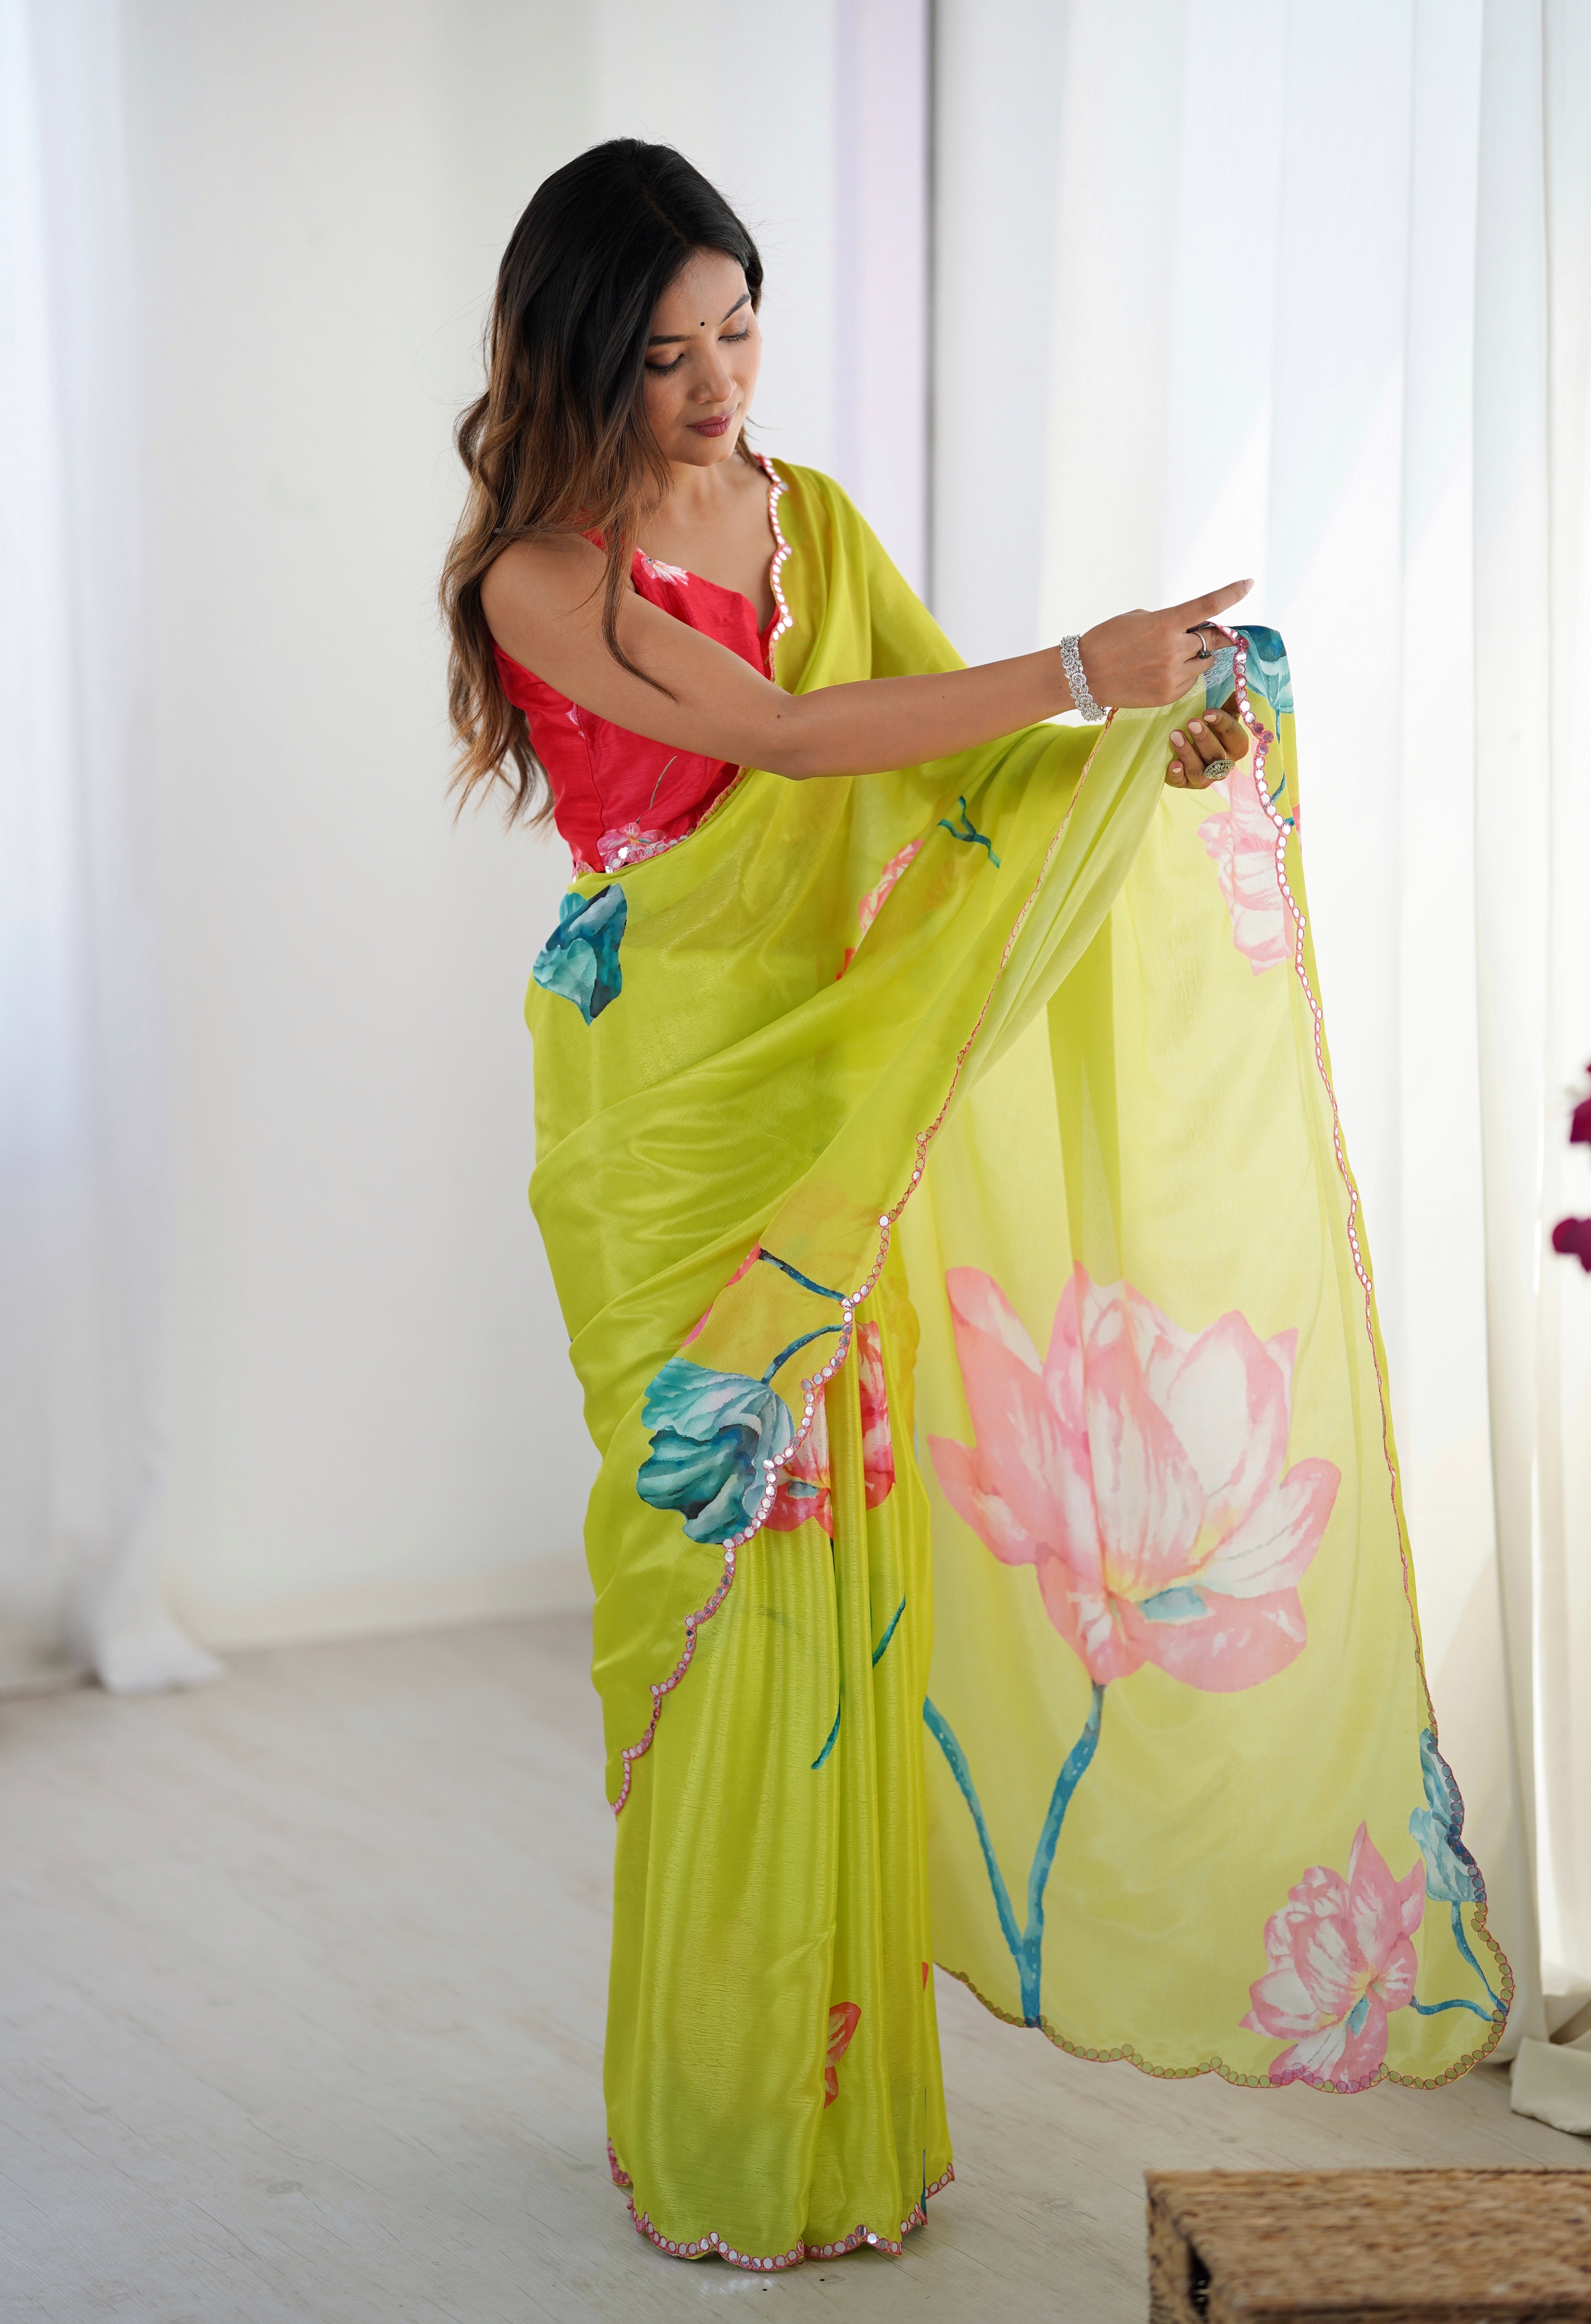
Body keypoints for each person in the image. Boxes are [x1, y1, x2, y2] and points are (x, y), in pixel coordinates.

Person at [441, 140, 1510, 2274]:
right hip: (668, 1104)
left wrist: (1143, 743)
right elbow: (784, 733)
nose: (717, 386)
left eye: (738, 329)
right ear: (578, 359)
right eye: (663, 357)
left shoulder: (801, 518)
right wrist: (1074, 670)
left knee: (843, 1555)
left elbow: (933, 776)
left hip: (839, 1076)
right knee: (721, 1571)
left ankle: (846, 2109)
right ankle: (726, 2120)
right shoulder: (537, 578)